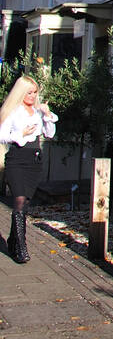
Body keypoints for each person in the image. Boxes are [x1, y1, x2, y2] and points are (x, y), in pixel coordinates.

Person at [0, 75, 57, 264]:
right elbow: (2, 136)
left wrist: (48, 115)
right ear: (21, 92)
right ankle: (21, 248)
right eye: (29, 92)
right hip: (17, 159)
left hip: (34, 160)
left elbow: (49, 134)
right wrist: (20, 134)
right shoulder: (13, 111)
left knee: (25, 203)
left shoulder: (38, 112)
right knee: (19, 199)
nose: (32, 96)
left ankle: (13, 241)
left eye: (35, 92)